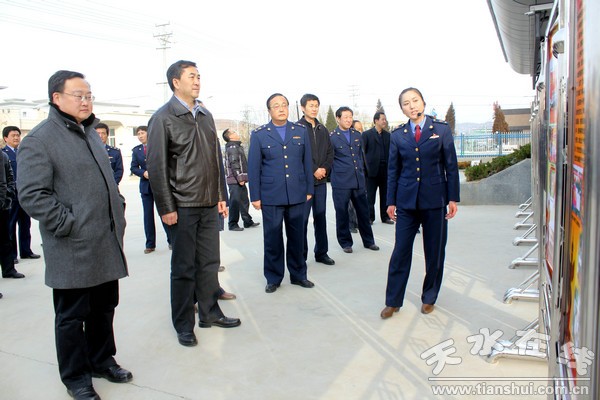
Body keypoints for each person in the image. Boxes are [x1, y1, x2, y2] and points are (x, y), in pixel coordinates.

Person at [17, 70, 132, 400]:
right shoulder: (40, 140)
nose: (86, 101)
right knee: (72, 316)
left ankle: (102, 360)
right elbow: (32, 195)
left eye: (89, 95)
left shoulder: (90, 133)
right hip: (73, 245)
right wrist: (69, 224)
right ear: (57, 98)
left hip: (104, 239)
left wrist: (118, 207)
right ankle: (76, 377)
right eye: (78, 95)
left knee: (104, 307)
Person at [147, 60, 241, 348]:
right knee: (184, 268)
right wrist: (166, 207)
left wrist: (221, 196)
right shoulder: (163, 118)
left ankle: (210, 312)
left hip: (209, 203)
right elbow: (157, 166)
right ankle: (183, 324)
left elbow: (215, 159)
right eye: (191, 76)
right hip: (182, 205)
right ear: (176, 82)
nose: (198, 81)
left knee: (209, 263)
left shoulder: (205, 115)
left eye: (199, 76)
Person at [380, 87, 459, 319]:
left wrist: (452, 197)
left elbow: (451, 166)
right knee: (400, 251)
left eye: (415, 100)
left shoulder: (441, 130)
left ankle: (429, 296)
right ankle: (393, 300)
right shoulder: (398, 135)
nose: (412, 106)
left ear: (423, 102)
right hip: (406, 202)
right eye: (406, 103)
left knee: (434, 251)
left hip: (435, 200)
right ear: (402, 109)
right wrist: (390, 201)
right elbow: (393, 170)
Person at [248, 93, 314, 293]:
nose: (281, 108)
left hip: (297, 193)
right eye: (276, 105)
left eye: (284, 104)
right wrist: (255, 196)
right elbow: (253, 167)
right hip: (271, 195)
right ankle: (273, 277)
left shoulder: (300, 131)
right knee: (272, 238)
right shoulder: (259, 134)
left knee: (297, 237)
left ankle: (298, 275)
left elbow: (307, 162)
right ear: (269, 111)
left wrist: (309, 189)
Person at [329, 107, 379, 253]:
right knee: (342, 213)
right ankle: (345, 242)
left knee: (363, 212)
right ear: (338, 119)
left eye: (350, 117)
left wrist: (363, 173)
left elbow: (360, 156)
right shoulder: (332, 137)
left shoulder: (357, 135)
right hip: (341, 181)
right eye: (345, 117)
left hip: (358, 180)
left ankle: (369, 241)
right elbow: (330, 159)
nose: (348, 120)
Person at [297, 94, 335, 266]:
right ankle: (301, 256)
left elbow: (330, 152)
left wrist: (324, 169)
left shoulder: (322, 129)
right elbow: (298, 154)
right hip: (304, 183)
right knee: (302, 220)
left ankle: (321, 252)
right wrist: (313, 170)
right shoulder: (297, 129)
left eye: (316, 105)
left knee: (320, 218)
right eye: (310, 105)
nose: (314, 108)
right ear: (303, 108)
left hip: (321, 183)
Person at [130, 125, 172, 253]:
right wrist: (143, 173)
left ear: (149, 133)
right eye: (138, 134)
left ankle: (171, 240)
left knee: (165, 213)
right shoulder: (136, 150)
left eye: (142, 133)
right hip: (146, 187)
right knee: (148, 216)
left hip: (160, 186)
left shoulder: (158, 146)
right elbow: (133, 167)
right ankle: (150, 244)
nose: (140, 136)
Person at [2, 126, 41, 263]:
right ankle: (12, 255)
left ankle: (26, 251)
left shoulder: (22, 152)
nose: (16, 138)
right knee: (11, 226)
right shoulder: (4, 154)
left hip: (24, 195)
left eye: (18, 135)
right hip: (12, 196)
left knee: (25, 224)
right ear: (5, 138)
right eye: (13, 135)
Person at [222, 128, 259, 231]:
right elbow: (234, 164)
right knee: (235, 201)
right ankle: (232, 224)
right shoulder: (233, 147)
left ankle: (247, 221)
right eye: (234, 132)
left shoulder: (237, 146)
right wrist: (240, 178)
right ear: (230, 137)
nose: (236, 133)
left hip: (239, 179)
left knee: (244, 200)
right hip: (234, 180)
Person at [361, 112, 393, 224]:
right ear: (376, 120)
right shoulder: (366, 135)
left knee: (385, 195)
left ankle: (385, 217)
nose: (385, 121)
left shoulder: (388, 136)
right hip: (372, 171)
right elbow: (362, 153)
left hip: (385, 170)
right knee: (370, 196)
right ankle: (370, 217)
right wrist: (364, 169)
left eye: (385, 119)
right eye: (382, 119)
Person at [0, 150, 24, 279]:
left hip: (3, 207)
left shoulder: (3, 156)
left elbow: (10, 178)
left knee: (5, 239)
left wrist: (8, 196)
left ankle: (8, 269)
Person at [348, 120, 364, 233]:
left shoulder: (359, 140)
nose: (359, 131)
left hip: (360, 175)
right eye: (357, 129)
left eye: (360, 129)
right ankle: (351, 224)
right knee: (350, 203)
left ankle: (358, 222)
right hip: (348, 177)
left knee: (360, 202)